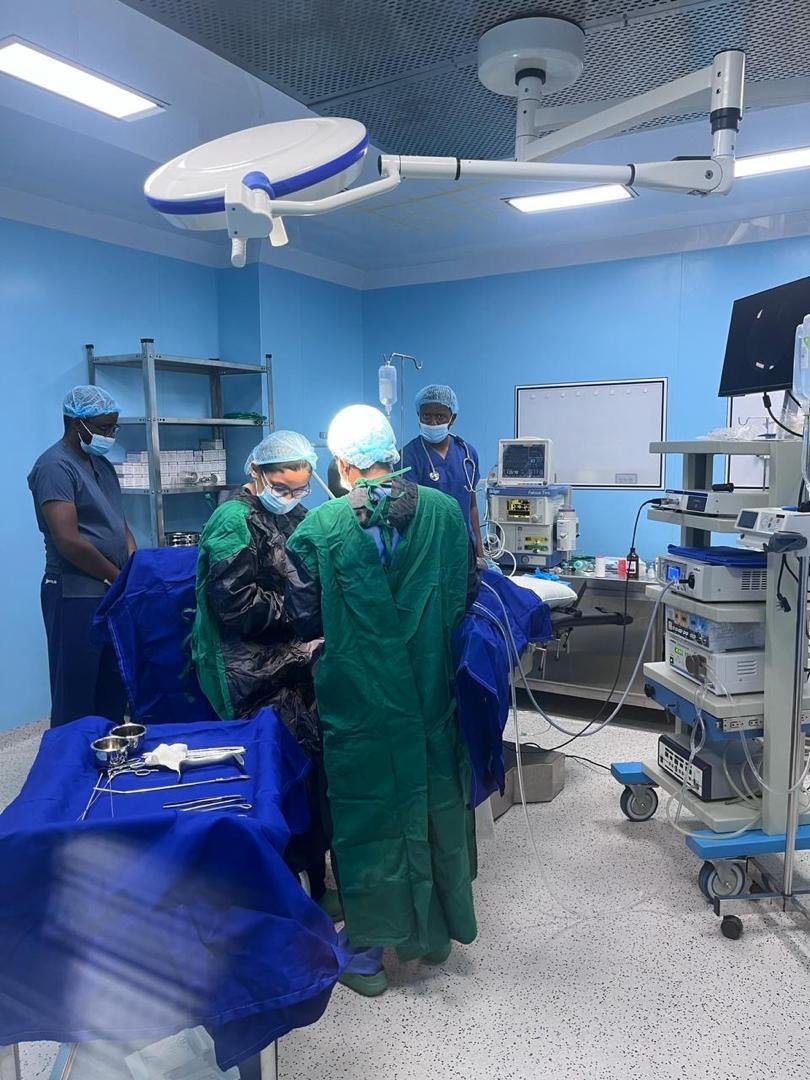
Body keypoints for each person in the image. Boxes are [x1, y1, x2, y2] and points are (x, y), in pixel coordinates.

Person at [285, 405, 479, 998]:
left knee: (368, 820)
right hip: (430, 697)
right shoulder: (444, 513)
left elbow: (302, 616)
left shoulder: (320, 528)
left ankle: (366, 954)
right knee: (433, 807)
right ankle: (435, 934)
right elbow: (466, 590)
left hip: (362, 703)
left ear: (343, 463)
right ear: (394, 454)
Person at [191, 430, 336, 912]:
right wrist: (300, 614)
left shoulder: (295, 514)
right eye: (282, 487)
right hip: (245, 668)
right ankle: (277, 890)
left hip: (291, 653)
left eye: (300, 488)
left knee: (310, 769)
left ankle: (315, 878)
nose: (292, 496)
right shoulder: (232, 520)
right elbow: (235, 605)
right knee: (274, 774)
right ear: (257, 472)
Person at [28, 386, 135, 728]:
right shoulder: (54, 467)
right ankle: (69, 759)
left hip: (110, 590)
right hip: (74, 592)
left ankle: (110, 752)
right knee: (76, 692)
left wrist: (134, 570)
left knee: (112, 687)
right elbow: (68, 541)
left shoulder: (101, 465)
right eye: (104, 427)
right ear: (77, 424)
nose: (110, 435)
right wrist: (117, 577)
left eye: (114, 427)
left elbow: (119, 524)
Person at [401, 384, 484, 558]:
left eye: (440, 416)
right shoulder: (408, 456)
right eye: (427, 416)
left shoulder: (467, 453)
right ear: (418, 415)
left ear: (452, 418)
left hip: (463, 547)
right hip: (427, 549)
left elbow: (472, 506)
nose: (433, 422)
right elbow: (407, 513)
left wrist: (480, 552)